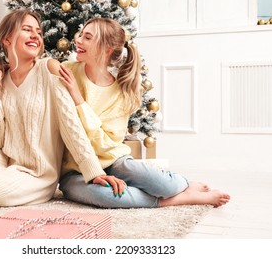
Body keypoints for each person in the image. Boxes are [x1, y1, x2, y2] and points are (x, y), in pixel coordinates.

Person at [58, 17, 230, 208]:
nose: (78, 40)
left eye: (87, 37)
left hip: (114, 160)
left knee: (164, 184)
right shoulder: (67, 71)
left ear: (106, 49)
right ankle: (179, 198)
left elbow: (105, 145)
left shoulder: (121, 94)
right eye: (81, 34)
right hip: (74, 171)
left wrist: (79, 100)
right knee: (107, 197)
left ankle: (183, 185)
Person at [0, 10, 106, 208]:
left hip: (37, 172)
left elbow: (71, 126)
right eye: (27, 30)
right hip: (3, 158)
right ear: (7, 39)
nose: (35, 36)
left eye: (38, 32)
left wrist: (94, 171)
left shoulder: (49, 68)